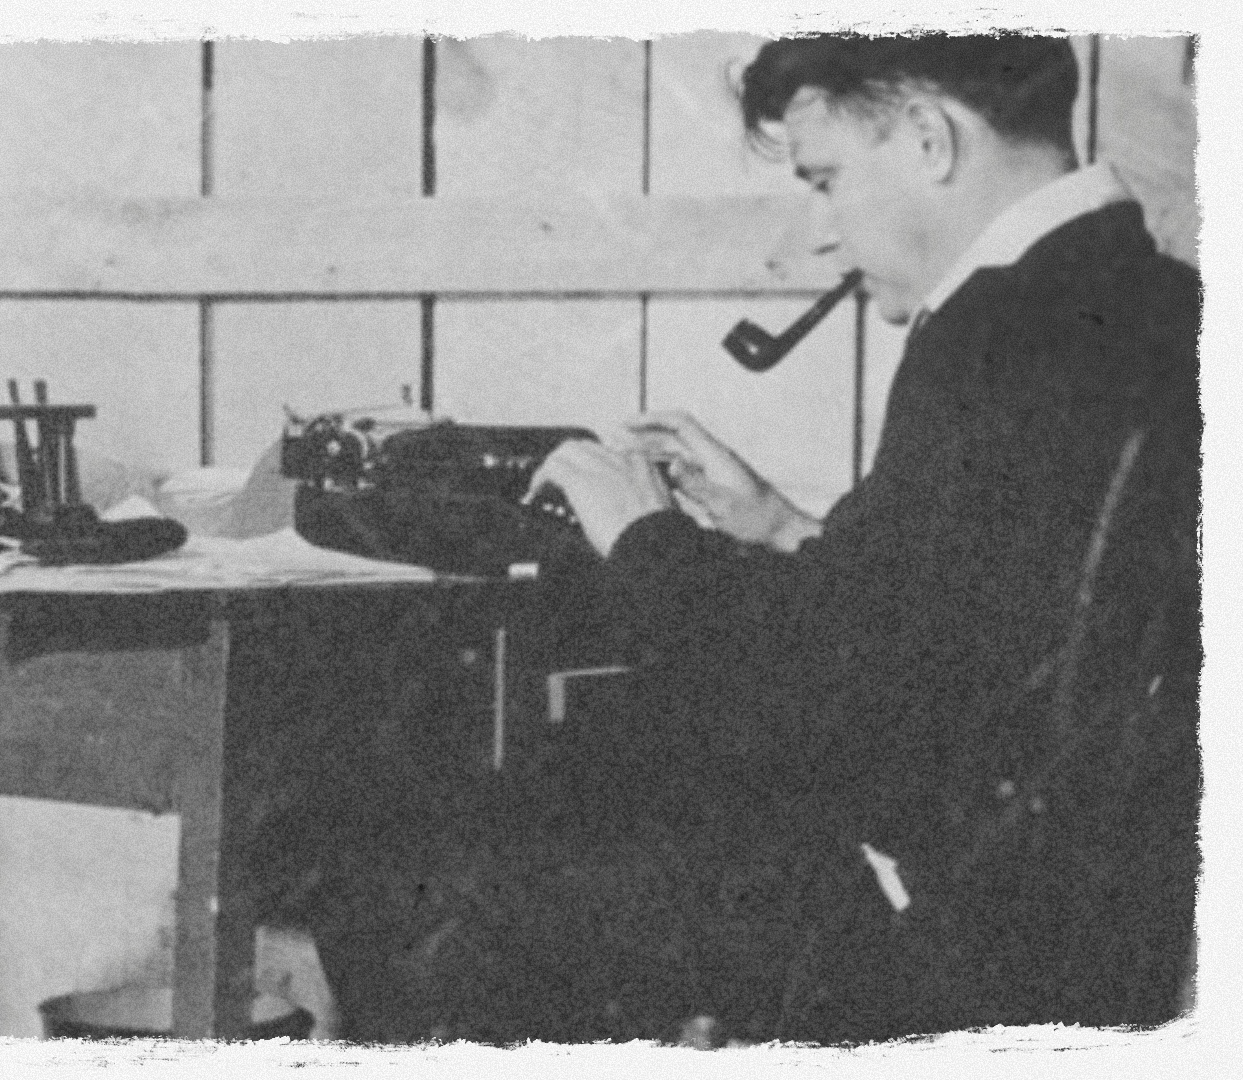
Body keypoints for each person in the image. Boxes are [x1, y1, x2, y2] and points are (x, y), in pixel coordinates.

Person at [292, 33, 1199, 1045]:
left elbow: (816, 707)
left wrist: (643, 537)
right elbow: (985, 613)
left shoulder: (987, 337)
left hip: (951, 930)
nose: (821, 232)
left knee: (402, 872)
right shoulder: (1157, 306)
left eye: (827, 179)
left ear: (932, 141)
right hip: (1100, 917)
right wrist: (781, 528)